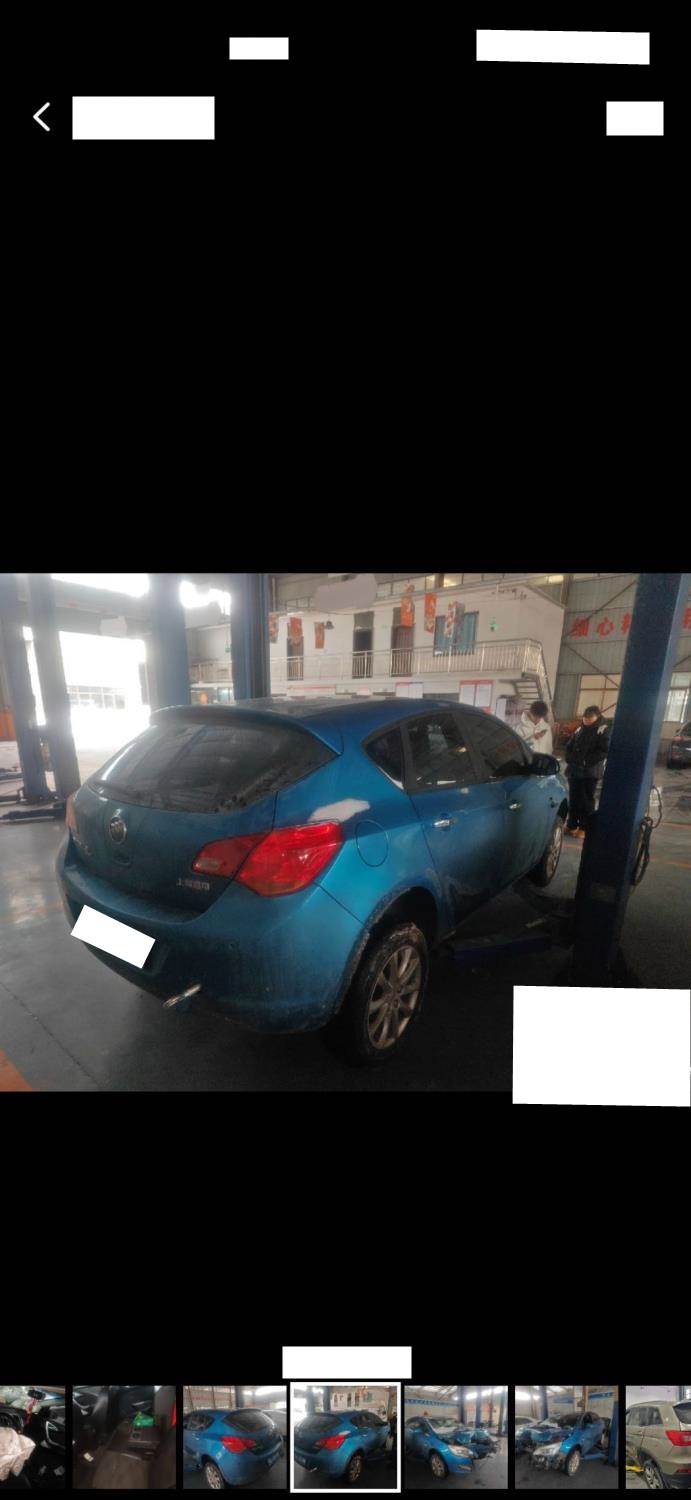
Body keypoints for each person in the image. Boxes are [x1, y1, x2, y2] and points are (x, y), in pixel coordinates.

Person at [564, 704, 611, 836]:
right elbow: (569, 745)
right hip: (574, 770)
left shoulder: (603, 730)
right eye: (585, 719)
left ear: (597, 717)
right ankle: (571, 825)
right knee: (573, 798)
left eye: (590, 719)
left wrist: (586, 761)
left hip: (590, 772)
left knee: (586, 800)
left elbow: (603, 750)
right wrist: (569, 758)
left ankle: (584, 828)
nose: (586, 721)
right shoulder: (580, 728)